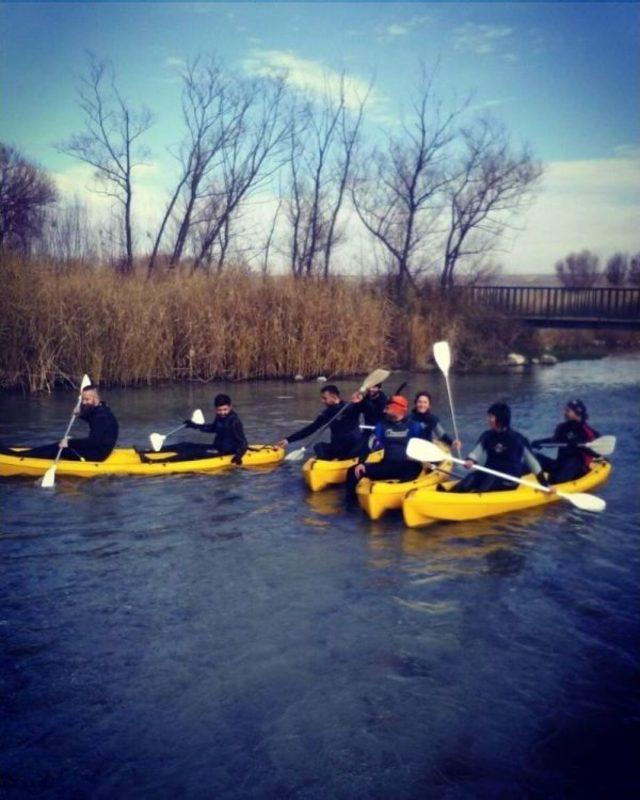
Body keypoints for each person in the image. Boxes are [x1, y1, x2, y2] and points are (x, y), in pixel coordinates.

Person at [448, 402, 551, 494]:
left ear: (500, 419)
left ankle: (474, 499)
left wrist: (545, 484)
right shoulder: (487, 435)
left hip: (509, 479)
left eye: (491, 417)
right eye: (488, 416)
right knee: (471, 479)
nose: (487, 420)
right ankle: (449, 495)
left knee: (488, 482)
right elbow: (477, 452)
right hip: (490, 472)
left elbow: (532, 463)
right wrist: (470, 460)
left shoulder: (517, 439)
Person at [16, 384, 119, 462]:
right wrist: (80, 414)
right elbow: (92, 417)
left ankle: (24, 457)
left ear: (95, 399)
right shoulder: (102, 407)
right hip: (99, 448)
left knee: (61, 449)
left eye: (86, 399)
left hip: (98, 455)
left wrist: (69, 443)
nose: (83, 402)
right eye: (83, 399)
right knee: (59, 445)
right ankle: (25, 454)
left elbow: (92, 442)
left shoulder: (101, 417)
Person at [348, 394, 424, 491]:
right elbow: (369, 445)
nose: (385, 410)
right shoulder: (382, 426)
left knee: (414, 468)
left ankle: (401, 492)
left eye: (388, 408)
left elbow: (426, 445)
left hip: (408, 466)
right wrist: (361, 463)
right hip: (388, 465)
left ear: (398, 408)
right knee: (352, 471)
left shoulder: (414, 426)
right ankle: (352, 504)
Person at [154, 394, 247, 463]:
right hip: (216, 447)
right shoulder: (220, 417)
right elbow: (212, 428)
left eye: (225, 409)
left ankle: (156, 462)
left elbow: (243, 442)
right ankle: (152, 452)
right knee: (184, 445)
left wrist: (238, 457)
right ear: (215, 409)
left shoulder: (235, 422)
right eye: (219, 410)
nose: (222, 412)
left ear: (230, 407)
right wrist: (193, 425)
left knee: (191, 452)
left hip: (225, 452)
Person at [276, 384, 362, 460]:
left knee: (349, 444)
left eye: (325, 398)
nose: (322, 401)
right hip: (337, 446)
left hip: (352, 446)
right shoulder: (327, 413)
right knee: (318, 447)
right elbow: (310, 429)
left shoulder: (350, 408)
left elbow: (369, 408)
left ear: (334, 397)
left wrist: (361, 400)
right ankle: (329, 464)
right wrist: (288, 440)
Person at [531, 399, 599, 483]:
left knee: (571, 462)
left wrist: (581, 445)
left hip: (577, 469)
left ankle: (555, 482)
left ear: (577, 413)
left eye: (568, 410)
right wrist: (539, 442)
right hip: (559, 464)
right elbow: (554, 441)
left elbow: (597, 453)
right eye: (565, 410)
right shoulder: (562, 427)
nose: (565, 413)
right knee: (533, 457)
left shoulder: (588, 431)